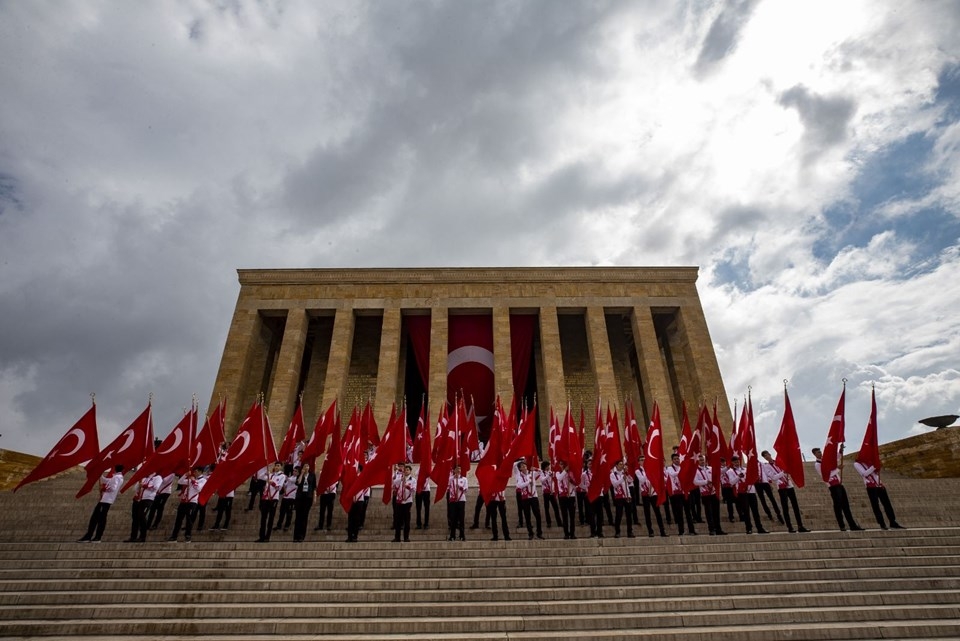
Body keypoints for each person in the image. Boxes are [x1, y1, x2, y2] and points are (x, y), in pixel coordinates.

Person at [812, 447, 863, 532]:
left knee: (846, 505)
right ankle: (841, 525)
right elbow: (826, 475)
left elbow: (836, 458)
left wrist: (840, 451)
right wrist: (838, 469)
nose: (820, 453)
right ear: (814, 454)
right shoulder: (817, 465)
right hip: (832, 486)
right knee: (838, 506)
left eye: (820, 452)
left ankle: (852, 524)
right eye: (818, 452)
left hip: (839, 484)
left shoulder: (826, 460)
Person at [761, 450, 810, 533]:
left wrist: (786, 471)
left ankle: (800, 525)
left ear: (770, 454)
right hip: (781, 486)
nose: (767, 456)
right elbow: (774, 477)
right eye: (765, 456)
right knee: (785, 507)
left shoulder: (779, 461)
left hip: (789, 484)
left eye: (767, 454)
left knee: (795, 506)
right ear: (764, 458)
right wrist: (783, 473)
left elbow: (787, 469)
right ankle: (789, 526)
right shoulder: (766, 466)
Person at [78, 465, 124, 542]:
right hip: (104, 500)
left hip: (106, 500)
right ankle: (90, 536)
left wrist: (104, 489)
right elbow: (106, 480)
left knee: (100, 519)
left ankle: (97, 537)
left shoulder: (117, 477)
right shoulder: (116, 477)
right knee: (96, 517)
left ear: (114, 469)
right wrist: (100, 474)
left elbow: (113, 488)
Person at [853, 459, 904, 530]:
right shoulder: (857, 464)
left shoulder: (869, 461)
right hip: (870, 486)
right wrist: (874, 466)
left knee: (887, 503)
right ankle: (882, 523)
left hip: (879, 484)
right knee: (875, 505)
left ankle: (892, 521)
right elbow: (864, 474)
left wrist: (878, 466)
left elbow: (875, 473)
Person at [726, 455, 768, 534]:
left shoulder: (746, 469)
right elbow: (731, 482)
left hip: (751, 491)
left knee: (755, 511)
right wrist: (738, 476)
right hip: (742, 492)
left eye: (738, 461)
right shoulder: (730, 471)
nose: (737, 463)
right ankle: (748, 528)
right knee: (746, 511)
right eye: (735, 462)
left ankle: (759, 527)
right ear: (732, 463)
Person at [168, 466, 206, 542]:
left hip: (192, 502)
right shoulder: (191, 478)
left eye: (196, 471)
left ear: (200, 472)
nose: (194, 472)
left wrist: (193, 481)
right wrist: (185, 475)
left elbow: (199, 489)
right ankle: (174, 536)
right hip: (184, 501)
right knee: (178, 519)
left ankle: (188, 536)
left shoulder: (203, 480)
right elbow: (180, 482)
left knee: (189, 520)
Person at [665, 453, 697, 535]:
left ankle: (691, 530)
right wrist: (683, 469)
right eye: (675, 459)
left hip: (685, 492)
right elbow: (673, 474)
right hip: (677, 493)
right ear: (672, 460)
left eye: (678, 459)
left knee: (688, 512)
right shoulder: (669, 468)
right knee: (679, 513)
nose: (677, 460)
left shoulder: (683, 467)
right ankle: (681, 531)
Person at [635, 456, 667, 537]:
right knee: (647, 513)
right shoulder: (638, 471)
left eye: (644, 460)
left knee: (657, 512)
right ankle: (650, 531)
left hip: (653, 492)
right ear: (638, 462)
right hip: (645, 494)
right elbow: (642, 480)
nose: (643, 461)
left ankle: (662, 530)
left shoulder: (651, 469)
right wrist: (648, 471)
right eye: (641, 460)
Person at [694, 455, 725, 536]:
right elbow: (695, 482)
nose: (702, 461)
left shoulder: (711, 468)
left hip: (714, 492)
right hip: (705, 494)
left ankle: (718, 529)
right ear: (698, 461)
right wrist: (706, 482)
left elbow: (719, 472)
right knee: (709, 512)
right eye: (700, 460)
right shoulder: (696, 471)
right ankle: (711, 529)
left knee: (716, 511)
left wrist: (728, 467)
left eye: (703, 460)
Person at [127, 470, 161, 543]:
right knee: (135, 518)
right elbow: (135, 489)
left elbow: (156, 487)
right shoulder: (143, 478)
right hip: (138, 499)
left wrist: (145, 486)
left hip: (148, 499)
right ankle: (133, 536)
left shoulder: (157, 478)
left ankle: (142, 536)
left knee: (142, 517)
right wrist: (139, 485)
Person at [257, 462, 286, 542]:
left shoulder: (282, 476)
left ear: (281, 467)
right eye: (275, 465)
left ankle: (267, 536)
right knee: (263, 518)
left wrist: (272, 483)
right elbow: (260, 477)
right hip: (266, 498)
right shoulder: (271, 475)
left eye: (278, 466)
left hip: (273, 498)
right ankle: (261, 536)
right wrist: (265, 472)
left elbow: (279, 488)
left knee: (271, 518)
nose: (276, 467)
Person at [516, 461, 544, 540]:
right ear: (520, 469)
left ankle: (539, 533)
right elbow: (519, 485)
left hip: (534, 496)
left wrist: (536, 468)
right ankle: (530, 533)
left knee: (538, 515)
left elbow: (541, 472)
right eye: (522, 466)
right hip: (525, 498)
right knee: (527, 516)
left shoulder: (531, 473)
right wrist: (528, 482)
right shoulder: (519, 476)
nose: (524, 466)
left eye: (525, 465)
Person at [755, 456, 785, 525]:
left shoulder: (763, 464)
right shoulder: (750, 466)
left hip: (765, 482)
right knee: (762, 500)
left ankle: (778, 514)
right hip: (757, 484)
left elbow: (767, 474)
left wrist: (770, 482)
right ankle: (769, 514)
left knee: (772, 499)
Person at [609, 460, 635, 538]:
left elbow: (631, 481)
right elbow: (614, 484)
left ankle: (630, 532)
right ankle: (617, 532)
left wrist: (627, 474)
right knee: (619, 515)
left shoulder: (625, 473)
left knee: (629, 515)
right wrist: (622, 479)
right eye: (620, 464)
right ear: (616, 466)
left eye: (622, 464)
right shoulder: (612, 474)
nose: (621, 466)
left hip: (627, 496)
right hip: (619, 497)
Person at [292, 462, 316, 542]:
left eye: (307, 465)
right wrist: (301, 474)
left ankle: (302, 536)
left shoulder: (312, 475)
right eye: (305, 466)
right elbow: (298, 483)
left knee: (304, 517)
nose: (306, 467)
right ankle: (296, 536)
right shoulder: (300, 475)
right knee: (298, 517)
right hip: (300, 497)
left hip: (308, 497)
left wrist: (314, 497)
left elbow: (314, 487)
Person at [393, 464, 416, 542]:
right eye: (405, 470)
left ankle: (406, 537)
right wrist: (401, 479)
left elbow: (414, 489)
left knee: (407, 520)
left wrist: (408, 486)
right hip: (399, 501)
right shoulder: (400, 478)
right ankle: (397, 537)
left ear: (410, 471)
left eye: (408, 470)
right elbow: (394, 482)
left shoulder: (413, 480)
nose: (406, 471)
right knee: (398, 520)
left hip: (407, 501)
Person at [555, 461, 577, 540]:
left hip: (571, 496)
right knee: (564, 516)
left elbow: (576, 484)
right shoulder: (558, 473)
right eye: (561, 464)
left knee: (572, 516)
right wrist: (565, 470)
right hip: (562, 496)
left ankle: (572, 533)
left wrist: (572, 481)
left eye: (564, 464)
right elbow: (559, 478)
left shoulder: (571, 473)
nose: (562, 465)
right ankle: (566, 534)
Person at [447, 465, 468, 541]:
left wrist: (461, 488)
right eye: (457, 469)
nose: (459, 470)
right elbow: (448, 488)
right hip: (453, 500)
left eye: (460, 469)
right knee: (453, 518)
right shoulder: (451, 479)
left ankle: (462, 535)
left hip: (461, 500)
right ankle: (452, 535)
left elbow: (466, 489)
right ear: (454, 470)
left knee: (461, 518)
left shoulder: (464, 479)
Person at [276, 464, 297, 532]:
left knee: (289, 512)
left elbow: (291, 481)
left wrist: (284, 475)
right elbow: (285, 484)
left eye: (296, 471)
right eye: (293, 471)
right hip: (286, 496)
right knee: (282, 512)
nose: (294, 472)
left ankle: (287, 525)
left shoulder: (297, 478)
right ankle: (279, 525)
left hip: (292, 497)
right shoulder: (291, 477)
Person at [541, 461, 562, 529]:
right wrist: (548, 476)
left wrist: (552, 475)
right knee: (546, 508)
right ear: (544, 466)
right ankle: (548, 522)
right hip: (546, 492)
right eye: (547, 466)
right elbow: (542, 480)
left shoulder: (551, 472)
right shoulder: (542, 473)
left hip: (552, 492)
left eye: (549, 466)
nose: (548, 467)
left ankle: (559, 522)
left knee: (556, 507)